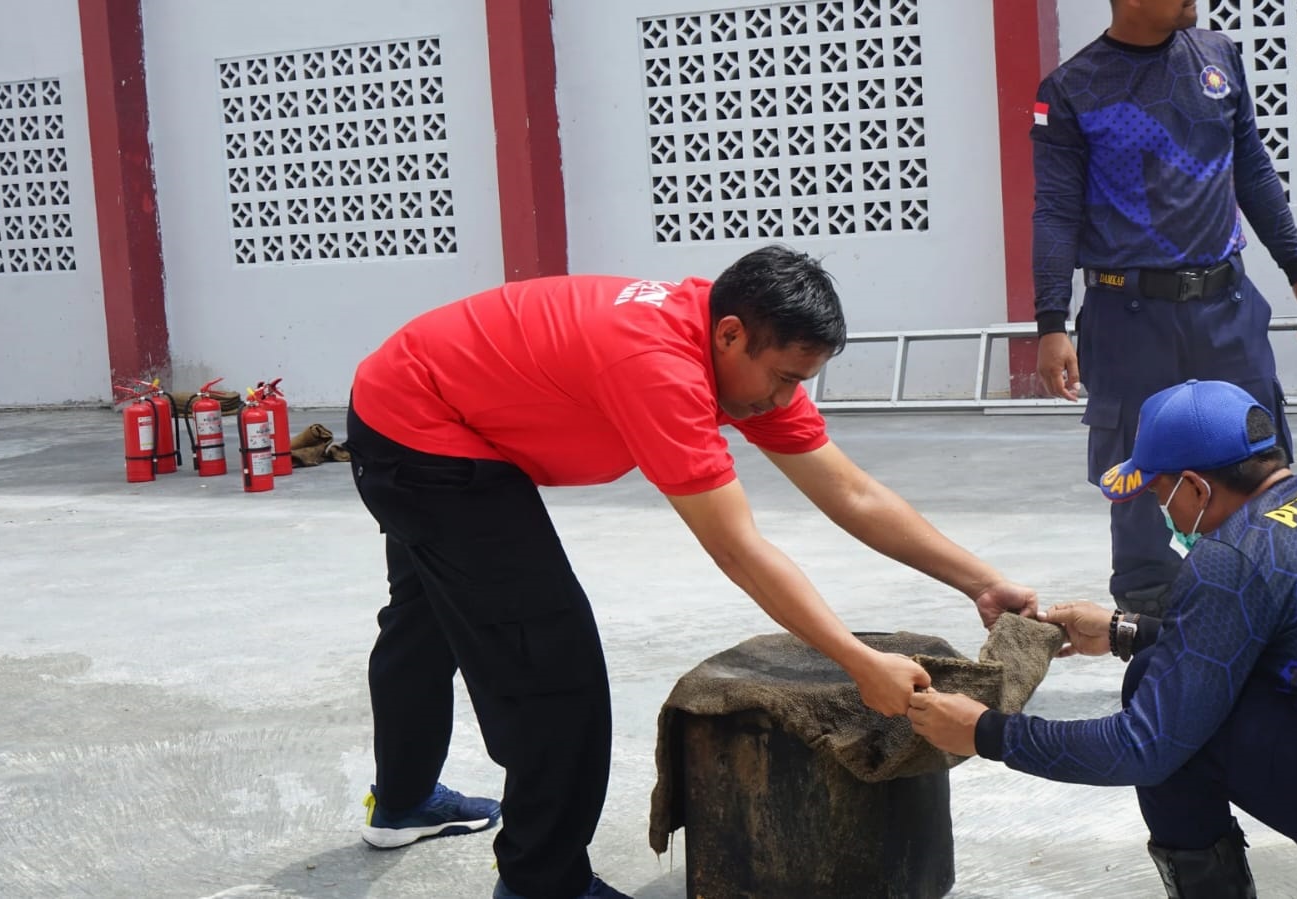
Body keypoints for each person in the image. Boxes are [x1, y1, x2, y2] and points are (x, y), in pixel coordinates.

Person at [343, 245, 1039, 899]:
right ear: (731, 334)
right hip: (422, 434)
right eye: (784, 378)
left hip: (418, 394)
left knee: (426, 619)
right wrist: (860, 661)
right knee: (551, 664)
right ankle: (539, 880)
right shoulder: (658, 367)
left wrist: (979, 581)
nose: (782, 398)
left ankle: (402, 800)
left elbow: (850, 492)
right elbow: (737, 548)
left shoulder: (735, 348)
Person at [909, 380, 1297, 898]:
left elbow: (1144, 749)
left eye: (1159, 492)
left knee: (1159, 701)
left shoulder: (1232, 558)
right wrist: (1123, 630)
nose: (1159, 509)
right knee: (1167, 667)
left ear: (1195, 486)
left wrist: (985, 734)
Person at [1030, 0, 1297, 616]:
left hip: (1227, 305)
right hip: (1127, 315)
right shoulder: (1070, 90)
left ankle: (1269, 603)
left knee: (1255, 456)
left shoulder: (1220, 58)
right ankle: (1149, 630)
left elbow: (1252, 168)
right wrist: (1051, 322)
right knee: (1140, 470)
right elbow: (1056, 209)